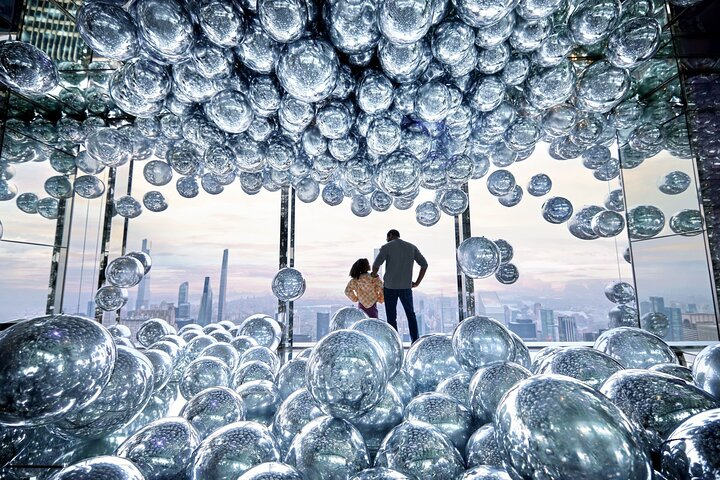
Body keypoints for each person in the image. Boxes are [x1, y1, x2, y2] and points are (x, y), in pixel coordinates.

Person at [371, 229, 428, 343]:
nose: (387, 240)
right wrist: (417, 282)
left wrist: (374, 274)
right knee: (410, 315)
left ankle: (395, 343)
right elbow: (424, 264)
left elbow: (376, 264)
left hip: (390, 287)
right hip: (406, 287)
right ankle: (415, 341)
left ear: (391, 235)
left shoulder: (386, 247)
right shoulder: (412, 247)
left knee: (391, 317)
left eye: (387, 238)